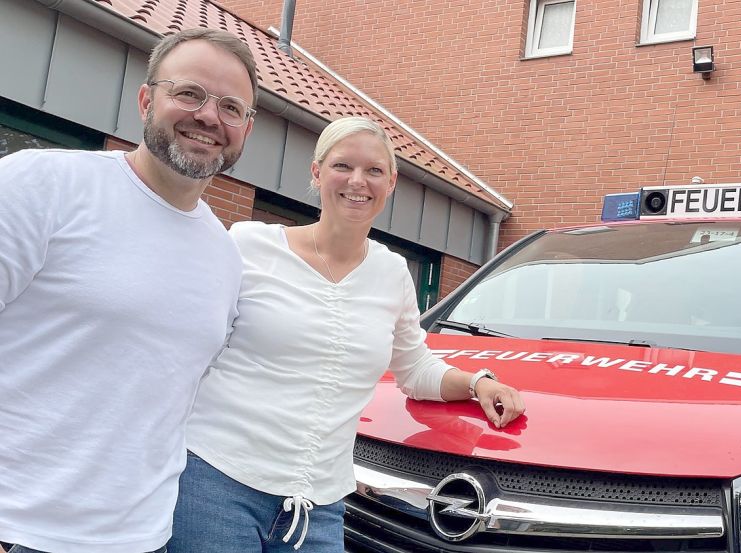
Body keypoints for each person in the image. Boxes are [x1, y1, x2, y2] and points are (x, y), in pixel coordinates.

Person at [168, 116, 525, 553]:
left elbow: (415, 369)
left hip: (318, 503)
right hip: (217, 481)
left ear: (391, 183)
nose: (358, 181)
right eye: (343, 166)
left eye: (374, 170)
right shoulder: (249, 245)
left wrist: (478, 383)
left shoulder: (392, 273)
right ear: (317, 173)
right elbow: (188, 343)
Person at [0, 28, 257, 553]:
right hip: (19, 529)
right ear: (146, 100)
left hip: (144, 537)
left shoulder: (226, 256)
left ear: (246, 129)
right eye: (189, 93)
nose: (209, 116)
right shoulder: (40, 184)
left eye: (231, 107)